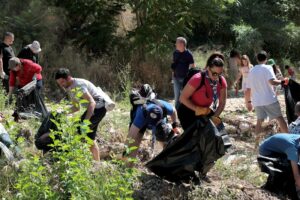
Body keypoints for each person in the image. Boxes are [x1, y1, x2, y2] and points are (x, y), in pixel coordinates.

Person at [55, 68, 107, 161]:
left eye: (62, 82)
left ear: (69, 78)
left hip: (99, 107)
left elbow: (92, 103)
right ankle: (97, 164)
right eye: (59, 84)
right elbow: (76, 107)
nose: (61, 85)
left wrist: (85, 122)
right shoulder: (69, 88)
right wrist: (62, 113)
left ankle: (75, 161)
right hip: (93, 108)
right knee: (90, 138)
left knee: (79, 130)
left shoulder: (78, 85)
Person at [245, 51, 288, 146]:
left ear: (256, 59)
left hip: (257, 101)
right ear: (266, 59)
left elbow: (247, 89)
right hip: (269, 99)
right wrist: (282, 82)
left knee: (259, 121)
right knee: (280, 118)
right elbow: (272, 82)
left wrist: (248, 102)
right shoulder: (268, 67)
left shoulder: (251, 71)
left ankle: (256, 144)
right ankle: (288, 138)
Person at [179, 52, 227, 130]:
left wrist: (214, 117)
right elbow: (182, 98)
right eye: (214, 73)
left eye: (219, 74)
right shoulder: (197, 78)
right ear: (208, 69)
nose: (216, 77)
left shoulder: (221, 81)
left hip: (204, 111)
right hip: (188, 111)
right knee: (193, 139)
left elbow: (222, 103)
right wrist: (197, 109)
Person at [126, 89, 180, 158]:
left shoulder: (162, 106)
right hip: (142, 117)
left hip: (158, 119)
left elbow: (173, 110)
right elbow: (129, 140)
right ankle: (128, 166)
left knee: (163, 134)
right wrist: (125, 155)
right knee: (134, 143)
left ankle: (167, 153)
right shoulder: (139, 118)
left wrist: (175, 126)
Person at [171, 37, 195, 109]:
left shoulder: (189, 54)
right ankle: (177, 113)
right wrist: (172, 75)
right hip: (176, 78)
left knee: (185, 97)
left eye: (177, 42)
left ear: (181, 44)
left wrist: (189, 76)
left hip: (186, 79)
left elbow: (193, 66)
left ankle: (186, 112)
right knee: (177, 96)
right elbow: (173, 64)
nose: (175, 44)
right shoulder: (175, 53)